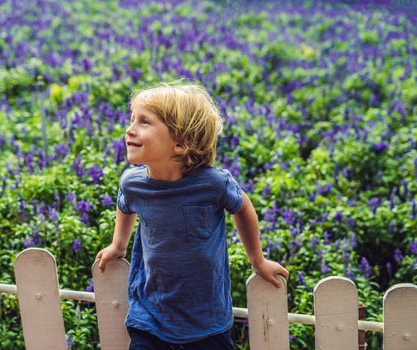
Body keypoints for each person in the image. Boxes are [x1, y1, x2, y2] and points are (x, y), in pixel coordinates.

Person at [95, 81, 289, 350]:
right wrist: (118, 245)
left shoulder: (213, 184)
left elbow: (243, 208)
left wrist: (257, 260)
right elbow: (125, 205)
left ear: (180, 143)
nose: (130, 129)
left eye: (144, 122)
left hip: (206, 321)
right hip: (150, 315)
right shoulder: (132, 183)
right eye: (132, 119)